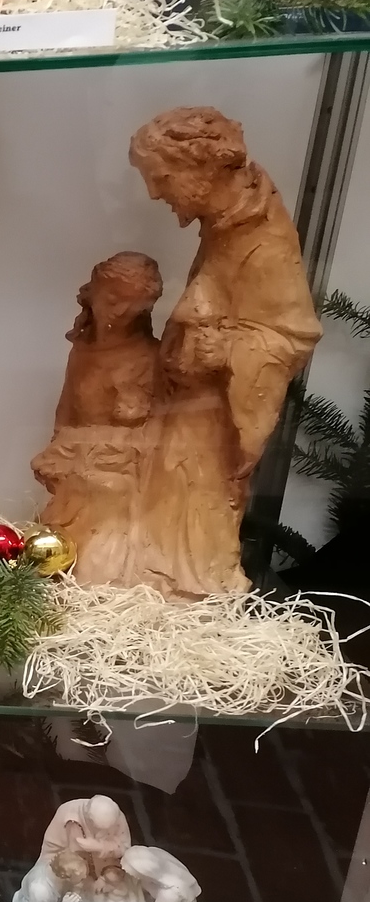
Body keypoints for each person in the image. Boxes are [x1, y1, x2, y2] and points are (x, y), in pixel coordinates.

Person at [128, 108, 322, 597]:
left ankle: (197, 584)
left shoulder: (262, 236)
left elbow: (292, 335)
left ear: (200, 167)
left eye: (161, 178)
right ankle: (163, 573)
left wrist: (230, 350)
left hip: (212, 416)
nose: (154, 193)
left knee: (198, 498)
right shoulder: (224, 222)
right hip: (185, 405)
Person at [31, 253, 163, 585]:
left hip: (119, 473)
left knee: (106, 496)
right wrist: (58, 449)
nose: (119, 311)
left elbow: (160, 437)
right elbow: (65, 416)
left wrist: (134, 416)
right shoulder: (82, 351)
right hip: (76, 461)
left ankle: (101, 573)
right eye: (113, 298)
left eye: (132, 306)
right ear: (93, 293)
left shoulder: (150, 357)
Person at [40, 795, 132, 881]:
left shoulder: (118, 818)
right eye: (97, 828)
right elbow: (52, 848)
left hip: (106, 872)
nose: (100, 833)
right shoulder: (67, 812)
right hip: (71, 871)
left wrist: (101, 846)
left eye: (106, 829)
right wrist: (69, 861)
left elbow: (125, 851)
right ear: (88, 818)